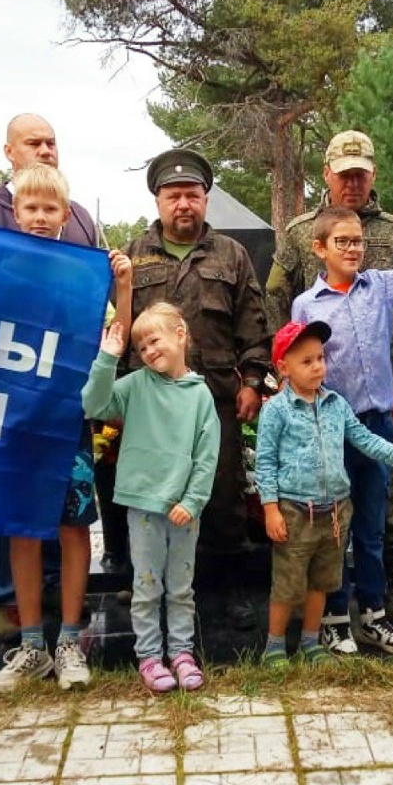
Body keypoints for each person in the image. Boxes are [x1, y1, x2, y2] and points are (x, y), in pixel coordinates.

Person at [265, 129, 393, 628]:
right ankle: (329, 611)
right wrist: (286, 380)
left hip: (377, 408)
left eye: (362, 172)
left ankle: (381, 597)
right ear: (328, 174)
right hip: (324, 415)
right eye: (344, 173)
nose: (354, 181)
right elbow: (279, 303)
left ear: (372, 173)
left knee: (379, 514)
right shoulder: (298, 236)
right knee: (328, 517)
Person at [0, 164, 132, 693]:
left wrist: (124, 286)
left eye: (52, 209)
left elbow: (116, 334)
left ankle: (69, 640)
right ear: (16, 213)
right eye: (31, 208)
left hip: (66, 423)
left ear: (67, 214)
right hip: (15, 422)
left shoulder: (82, 271)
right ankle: (31, 646)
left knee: (73, 530)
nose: (42, 217)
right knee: (24, 530)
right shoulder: (0, 266)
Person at [0, 114, 99, 641]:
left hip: (61, 392)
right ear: (8, 151)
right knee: (9, 510)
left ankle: (56, 604)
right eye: (33, 142)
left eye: (51, 142)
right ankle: (9, 604)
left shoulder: (83, 217)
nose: (45, 150)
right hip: (6, 393)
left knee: (65, 509)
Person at [125, 149, 271, 627]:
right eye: (174, 196)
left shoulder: (232, 255)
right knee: (156, 498)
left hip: (215, 399)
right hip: (150, 405)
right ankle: (157, 595)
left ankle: (227, 590)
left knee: (223, 493)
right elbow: (117, 326)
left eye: (192, 195)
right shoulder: (132, 254)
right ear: (158, 199)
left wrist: (252, 381)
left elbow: (253, 323)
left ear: (205, 199)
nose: (183, 203)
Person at [292, 204, 393, 657]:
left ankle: (373, 614)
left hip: (378, 426)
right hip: (331, 431)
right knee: (334, 530)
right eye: (343, 242)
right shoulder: (306, 305)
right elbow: (300, 368)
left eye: (358, 241)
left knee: (371, 527)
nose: (354, 249)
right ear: (320, 248)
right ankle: (333, 619)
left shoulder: (381, 287)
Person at [257, 321, 393, 666]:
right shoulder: (276, 410)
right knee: (287, 584)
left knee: (322, 581)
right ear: (283, 367)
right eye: (306, 361)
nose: (317, 366)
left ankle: (311, 642)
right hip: (295, 511)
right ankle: (274, 646)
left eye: (320, 358)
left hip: (335, 513)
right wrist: (271, 509)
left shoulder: (336, 404)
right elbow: (264, 463)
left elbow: (365, 440)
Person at [82, 304, 220, 692]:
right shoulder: (136, 385)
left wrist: (192, 501)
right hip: (143, 505)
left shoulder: (200, 396)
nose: (148, 351)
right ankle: (149, 657)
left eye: (153, 340)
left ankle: (181, 652)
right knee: (145, 586)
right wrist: (108, 358)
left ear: (180, 334)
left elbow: (207, 456)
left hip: (183, 510)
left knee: (180, 587)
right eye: (140, 347)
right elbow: (93, 405)